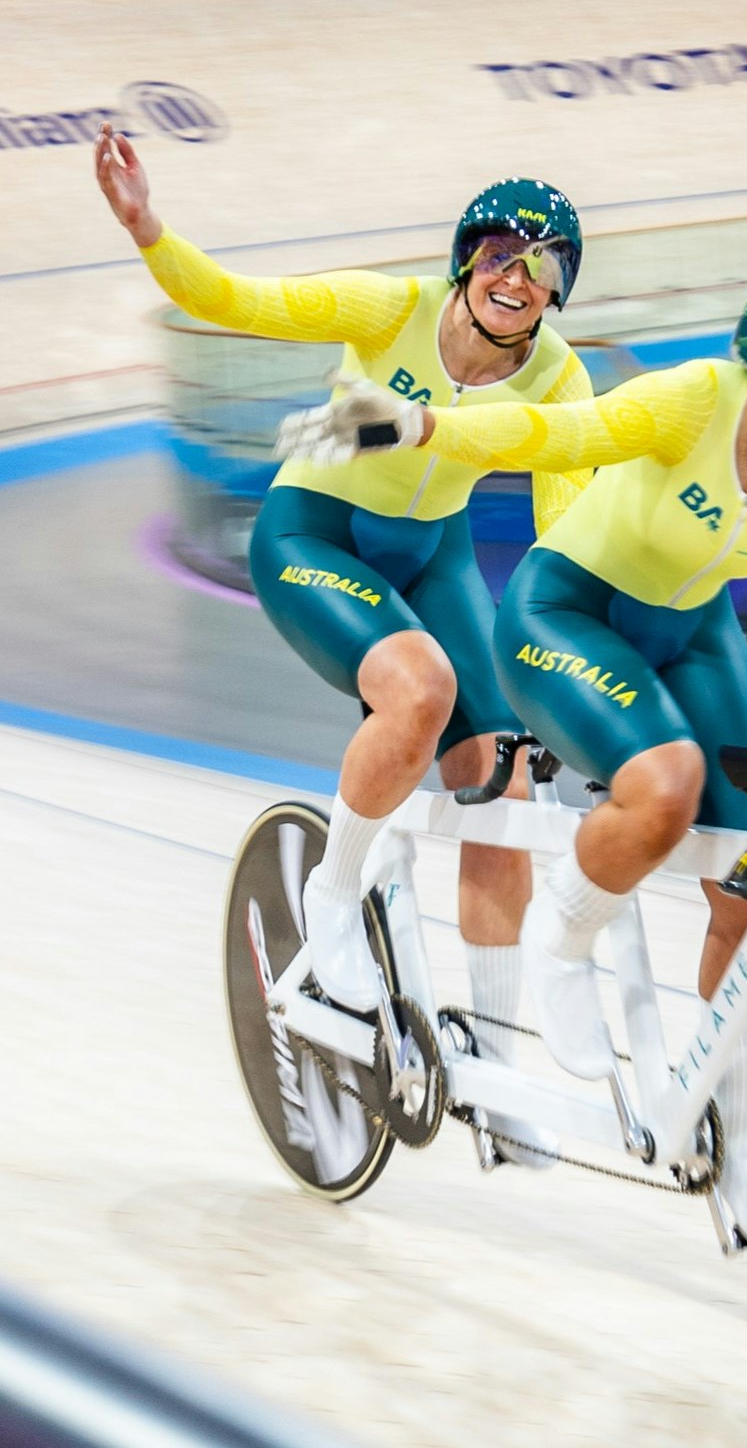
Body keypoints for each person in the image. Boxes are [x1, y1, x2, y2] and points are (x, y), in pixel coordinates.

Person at [276, 243, 747, 1245]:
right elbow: (557, 430)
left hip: (689, 636)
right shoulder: (695, 401)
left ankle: (732, 1140)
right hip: (568, 614)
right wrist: (418, 422)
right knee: (664, 783)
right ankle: (564, 935)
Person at [95, 121, 594, 1165]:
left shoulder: (558, 380)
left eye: (540, 268)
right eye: (502, 255)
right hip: (314, 534)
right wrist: (149, 229)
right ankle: (330, 905)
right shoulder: (391, 309)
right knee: (417, 690)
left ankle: (496, 1075)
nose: (517, 278)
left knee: (502, 780)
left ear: (554, 295)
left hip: (431, 557)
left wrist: (563, 672)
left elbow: (564, 537)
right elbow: (234, 302)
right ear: (467, 261)